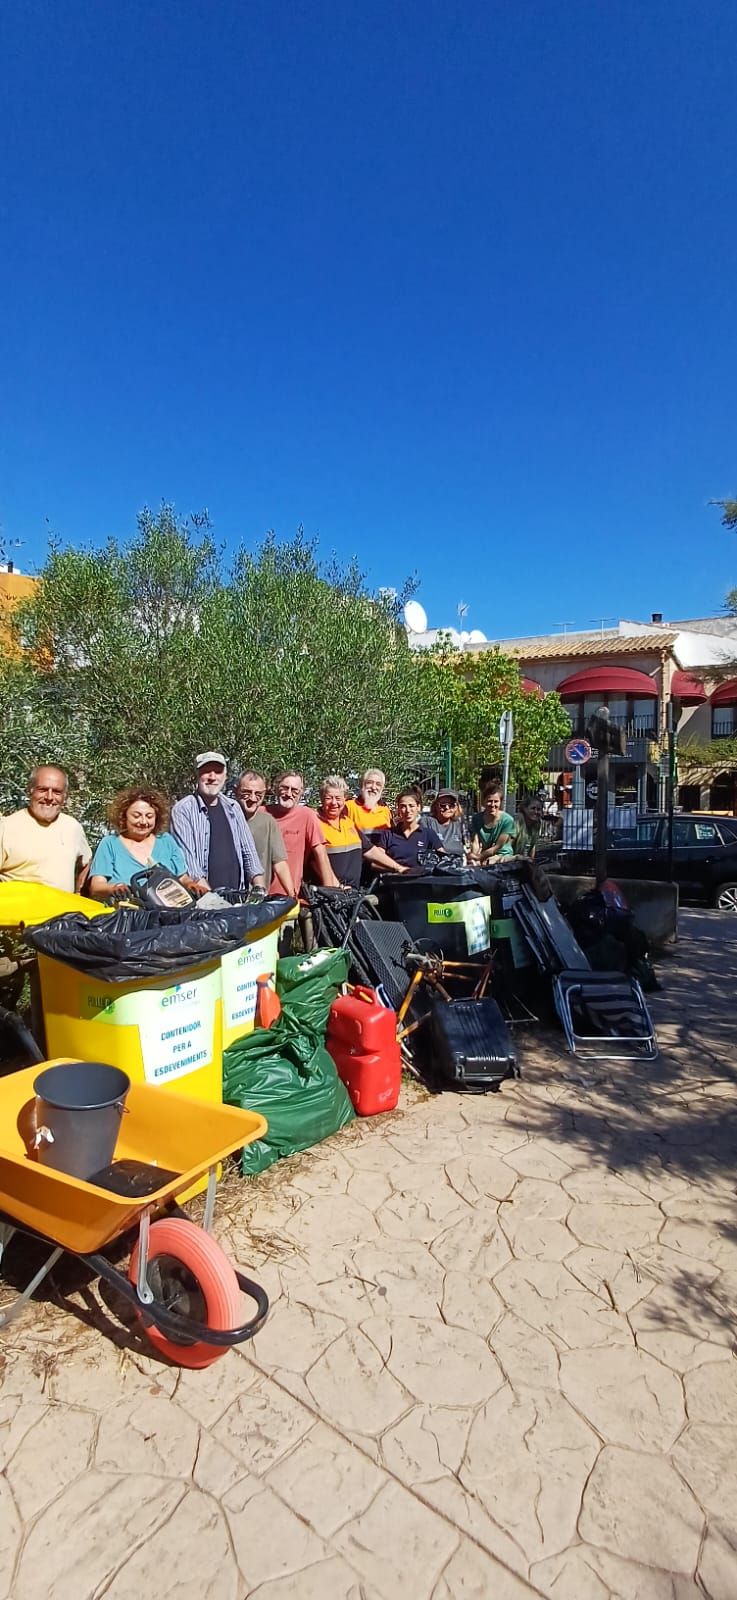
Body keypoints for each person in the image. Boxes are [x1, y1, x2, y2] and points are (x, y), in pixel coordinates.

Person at [171, 752, 264, 893]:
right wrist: (212, 899)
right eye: (206, 771)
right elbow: (190, 865)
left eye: (218, 772)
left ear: (225, 776)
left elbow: (249, 852)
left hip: (237, 895)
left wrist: (260, 889)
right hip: (204, 898)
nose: (212, 777)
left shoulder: (233, 807)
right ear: (197, 775)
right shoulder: (183, 810)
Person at [88, 787, 200, 900]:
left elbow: (183, 877)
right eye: (136, 816)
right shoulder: (110, 843)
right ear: (124, 816)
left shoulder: (166, 841)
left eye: (149, 816)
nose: (143, 822)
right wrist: (114, 888)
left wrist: (191, 885)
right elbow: (96, 886)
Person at [0, 765, 91, 893]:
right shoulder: (7, 827)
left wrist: (78, 894)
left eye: (57, 792)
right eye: (42, 790)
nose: (49, 797)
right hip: (19, 905)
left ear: (65, 796)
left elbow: (86, 863)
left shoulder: (72, 827)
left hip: (62, 906)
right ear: (30, 790)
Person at [266, 771, 339, 896]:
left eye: (294, 790)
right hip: (259, 894)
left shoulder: (306, 815)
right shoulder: (262, 814)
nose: (289, 794)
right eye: (285, 788)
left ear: (301, 793)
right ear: (276, 788)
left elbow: (321, 855)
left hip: (289, 896)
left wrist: (331, 893)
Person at [234, 771, 296, 897]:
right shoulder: (224, 819)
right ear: (236, 791)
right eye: (246, 793)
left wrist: (292, 895)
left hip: (257, 897)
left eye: (258, 794)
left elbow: (279, 863)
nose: (252, 798)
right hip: (227, 896)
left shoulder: (268, 822)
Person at [364, 788, 447, 874]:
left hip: (421, 880)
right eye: (403, 806)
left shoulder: (428, 834)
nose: (407, 810)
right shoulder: (388, 834)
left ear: (418, 807)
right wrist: (399, 869)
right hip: (394, 880)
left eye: (411, 806)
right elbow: (375, 863)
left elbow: (444, 861)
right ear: (398, 809)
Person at [315, 776, 365, 888]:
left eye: (338, 798)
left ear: (345, 799)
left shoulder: (348, 822)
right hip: (328, 892)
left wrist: (398, 867)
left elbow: (370, 850)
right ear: (321, 799)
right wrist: (338, 887)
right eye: (328, 798)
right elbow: (314, 863)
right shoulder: (314, 823)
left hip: (353, 891)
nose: (334, 803)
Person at [469, 781, 516, 864]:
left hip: (502, 856)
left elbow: (497, 847)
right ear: (483, 802)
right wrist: (474, 857)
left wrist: (479, 857)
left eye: (496, 801)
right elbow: (475, 842)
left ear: (500, 802)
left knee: (489, 862)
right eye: (489, 801)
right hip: (483, 855)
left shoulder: (507, 820)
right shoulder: (476, 819)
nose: (492, 805)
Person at [345, 769, 392, 834]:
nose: (373, 787)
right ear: (361, 785)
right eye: (369, 782)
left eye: (378, 784)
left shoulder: (385, 810)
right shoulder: (349, 806)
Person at [428, 789, 466, 859]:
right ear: (435, 806)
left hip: (458, 863)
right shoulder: (427, 822)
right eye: (442, 805)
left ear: (456, 807)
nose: (447, 807)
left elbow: (468, 847)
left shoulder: (460, 824)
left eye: (451, 805)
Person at [509, 792, 543, 861]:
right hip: (509, 860)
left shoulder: (537, 823)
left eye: (538, 809)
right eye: (533, 808)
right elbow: (508, 845)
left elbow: (533, 846)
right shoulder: (518, 821)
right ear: (525, 809)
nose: (536, 812)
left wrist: (531, 862)